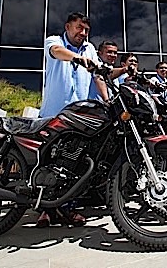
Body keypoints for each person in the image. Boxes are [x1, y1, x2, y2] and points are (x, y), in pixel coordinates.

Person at [38, 12, 107, 228]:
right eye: (79, 27)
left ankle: (69, 208)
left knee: (73, 164)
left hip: (78, 118)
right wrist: (76, 58)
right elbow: (56, 52)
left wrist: (107, 100)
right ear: (68, 26)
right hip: (53, 115)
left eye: (86, 29)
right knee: (48, 162)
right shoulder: (55, 41)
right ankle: (45, 211)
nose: (83, 33)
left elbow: (98, 76)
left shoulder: (90, 49)